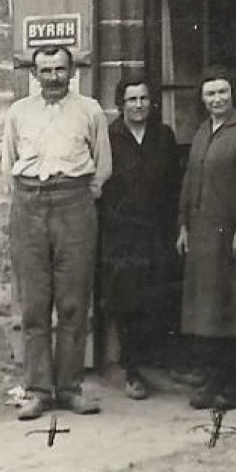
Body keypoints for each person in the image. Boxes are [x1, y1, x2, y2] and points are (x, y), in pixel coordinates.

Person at [0, 45, 112, 420]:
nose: (53, 77)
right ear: (34, 74)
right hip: (29, 203)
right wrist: (29, 198)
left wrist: (76, 195)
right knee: (33, 303)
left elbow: (102, 166)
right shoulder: (19, 112)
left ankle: (69, 388)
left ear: (71, 71)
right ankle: (36, 390)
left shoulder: (90, 110)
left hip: (73, 202)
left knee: (73, 302)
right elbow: (7, 163)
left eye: (59, 70)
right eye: (45, 71)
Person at [176, 67, 236, 410]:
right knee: (208, 311)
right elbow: (190, 180)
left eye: (222, 92)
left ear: (232, 94)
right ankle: (214, 380)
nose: (217, 99)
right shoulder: (203, 131)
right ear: (202, 99)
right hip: (203, 236)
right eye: (210, 94)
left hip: (233, 235)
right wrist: (183, 224)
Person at [97, 74, 180, 400]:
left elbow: (174, 182)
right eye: (131, 99)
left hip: (157, 231)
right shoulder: (110, 136)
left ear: (152, 102)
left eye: (143, 98)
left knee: (157, 298)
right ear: (121, 104)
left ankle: (158, 363)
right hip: (122, 235)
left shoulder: (164, 135)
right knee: (126, 302)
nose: (138, 105)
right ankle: (132, 371)